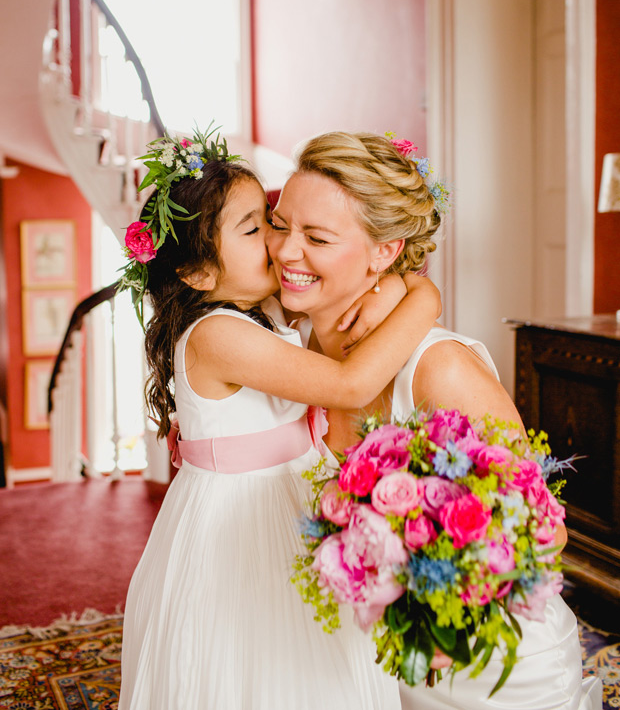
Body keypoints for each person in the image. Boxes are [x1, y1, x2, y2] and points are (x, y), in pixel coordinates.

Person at [266, 130, 602, 710]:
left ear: (385, 252)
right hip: (353, 665)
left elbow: (545, 536)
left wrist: (419, 569)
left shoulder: (438, 370)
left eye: (316, 237)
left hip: (485, 669)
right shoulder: (279, 342)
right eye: (278, 224)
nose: (285, 251)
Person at [117, 127, 442, 710]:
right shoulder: (217, 334)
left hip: (292, 494)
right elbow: (350, 384)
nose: (277, 242)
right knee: (251, 660)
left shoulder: (262, 312)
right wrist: (424, 297)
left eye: (269, 219)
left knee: (315, 663)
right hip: (238, 518)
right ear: (197, 274)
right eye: (255, 229)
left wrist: (384, 283)